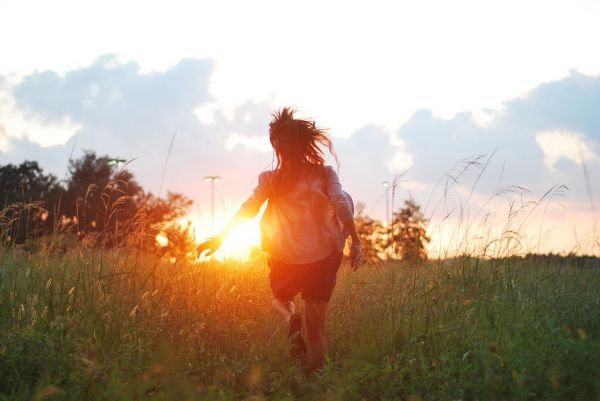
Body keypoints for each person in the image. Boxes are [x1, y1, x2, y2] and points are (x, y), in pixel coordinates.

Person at [197, 107, 362, 372]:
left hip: (285, 256)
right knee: (317, 333)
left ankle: (290, 318)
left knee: (280, 299)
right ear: (306, 144)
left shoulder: (271, 179)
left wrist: (221, 238)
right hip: (323, 257)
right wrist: (356, 240)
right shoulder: (325, 173)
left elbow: (248, 210)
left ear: (277, 147)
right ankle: (315, 387)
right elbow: (341, 202)